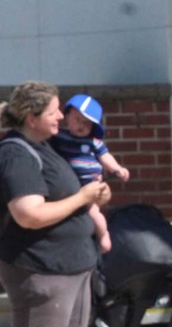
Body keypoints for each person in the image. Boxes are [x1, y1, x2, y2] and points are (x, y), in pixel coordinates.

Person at [0, 81, 118, 327]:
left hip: (75, 266)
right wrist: (84, 199)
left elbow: (69, 194)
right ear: (32, 117)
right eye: (53, 111)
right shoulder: (17, 154)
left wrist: (93, 198)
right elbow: (28, 213)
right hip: (41, 269)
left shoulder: (46, 147)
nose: (61, 117)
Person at [49, 94, 130, 254]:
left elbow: (105, 157)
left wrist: (117, 169)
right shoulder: (60, 136)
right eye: (77, 119)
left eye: (86, 122)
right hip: (71, 183)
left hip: (90, 183)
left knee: (93, 212)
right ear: (67, 117)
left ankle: (104, 235)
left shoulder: (94, 142)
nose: (81, 125)